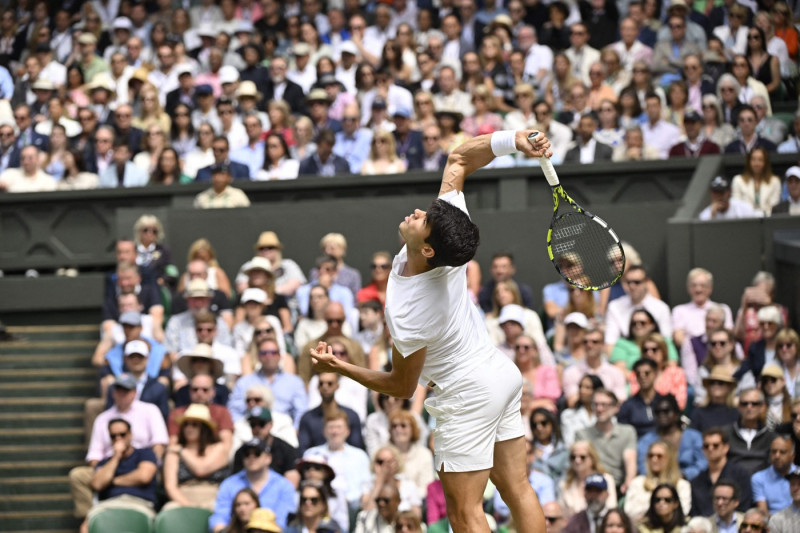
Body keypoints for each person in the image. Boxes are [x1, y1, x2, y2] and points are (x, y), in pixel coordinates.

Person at [310, 129, 552, 533]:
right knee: (517, 487)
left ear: (427, 250)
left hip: (469, 395)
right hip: (501, 375)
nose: (419, 213)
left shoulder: (407, 310)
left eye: (424, 221)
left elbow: (402, 387)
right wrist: (516, 140)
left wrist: (340, 367)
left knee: (464, 512)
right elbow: (458, 159)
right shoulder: (448, 234)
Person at [83, 419, 158, 533]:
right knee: (86, 527)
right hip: (109, 504)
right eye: (113, 436)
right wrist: (116, 456)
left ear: (130, 434)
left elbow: (144, 476)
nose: (118, 438)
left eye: (122, 434)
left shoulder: (145, 453)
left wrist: (113, 481)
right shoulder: (105, 462)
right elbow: (97, 484)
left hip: (139, 503)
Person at [210, 439, 296, 532]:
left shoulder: (284, 485)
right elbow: (219, 517)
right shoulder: (228, 484)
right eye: (247, 454)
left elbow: (283, 521)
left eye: (257, 453)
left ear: (268, 458)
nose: (251, 457)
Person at [163, 403, 230, 510]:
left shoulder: (219, 448)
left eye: (194, 424)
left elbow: (201, 469)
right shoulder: (173, 452)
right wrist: (188, 506)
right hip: (182, 498)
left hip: (213, 499)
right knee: (169, 509)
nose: (189, 428)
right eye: (186, 424)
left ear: (204, 428)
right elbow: (170, 487)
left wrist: (182, 450)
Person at [637, 394, 706, 481]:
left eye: (666, 411)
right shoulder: (646, 440)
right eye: (658, 412)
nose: (662, 415)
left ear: (677, 414)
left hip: (690, 482)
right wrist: (661, 478)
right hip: (655, 484)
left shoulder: (694, 437)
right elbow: (642, 467)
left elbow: (702, 464)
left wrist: (683, 475)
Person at [690, 427, 752, 517]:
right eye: (706, 446)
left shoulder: (740, 475)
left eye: (715, 445)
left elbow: (744, 507)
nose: (710, 449)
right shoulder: (697, 481)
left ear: (726, 448)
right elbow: (695, 513)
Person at [624, 442, 691, 523]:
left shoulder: (682, 485)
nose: (654, 459)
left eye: (659, 456)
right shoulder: (637, 482)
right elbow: (629, 511)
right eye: (651, 456)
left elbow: (683, 511)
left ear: (670, 459)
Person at [752, 434, 797, 515]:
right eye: (774, 451)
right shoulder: (759, 478)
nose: (777, 456)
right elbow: (763, 512)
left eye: (782, 452)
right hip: (773, 523)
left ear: (792, 456)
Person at [731, 147, 782, 216]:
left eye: (760, 160)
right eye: (753, 159)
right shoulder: (738, 180)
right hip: (745, 220)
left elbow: (774, 207)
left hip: (767, 220)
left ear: (765, 162)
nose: (756, 164)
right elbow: (737, 206)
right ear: (748, 162)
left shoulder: (775, 181)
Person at [561, 375, 603, 446]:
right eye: (580, 387)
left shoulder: (606, 415)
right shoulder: (568, 415)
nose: (582, 391)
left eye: (587, 388)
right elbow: (569, 442)